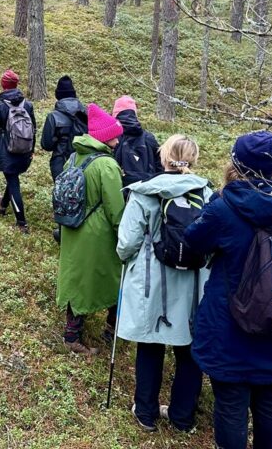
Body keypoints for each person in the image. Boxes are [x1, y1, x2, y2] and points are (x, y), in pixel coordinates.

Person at [184, 132, 272, 449]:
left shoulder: (222, 210)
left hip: (228, 330)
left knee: (231, 403)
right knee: (271, 400)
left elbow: (192, 240)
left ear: (235, 163)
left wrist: (212, 205)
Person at [116, 135, 214, 433]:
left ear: (164, 157)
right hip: (192, 284)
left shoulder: (145, 193)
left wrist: (125, 257)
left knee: (150, 345)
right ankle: (182, 417)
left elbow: (127, 242)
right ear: (193, 159)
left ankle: (145, 412)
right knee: (188, 350)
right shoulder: (208, 195)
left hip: (152, 285)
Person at [56, 104, 125, 356]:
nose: (118, 141)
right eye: (115, 136)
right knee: (115, 280)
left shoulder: (75, 157)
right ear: (106, 137)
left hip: (72, 228)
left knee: (78, 281)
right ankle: (112, 331)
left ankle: (72, 333)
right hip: (97, 236)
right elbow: (116, 209)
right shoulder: (106, 165)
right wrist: (125, 236)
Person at [0, 70, 36, 234]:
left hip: (7, 151)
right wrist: (32, 150)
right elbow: (33, 128)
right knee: (12, 178)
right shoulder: (27, 105)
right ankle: (3, 205)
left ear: (3, 85)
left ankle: (21, 223)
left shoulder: (0, 106)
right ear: (16, 85)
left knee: (13, 182)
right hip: (25, 150)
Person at [41, 75, 88, 182]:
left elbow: (46, 144)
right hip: (85, 162)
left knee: (61, 195)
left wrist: (58, 139)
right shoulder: (86, 113)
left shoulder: (53, 117)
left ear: (58, 95)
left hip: (60, 162)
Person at [112, 96, 162, 188]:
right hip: (147, 190)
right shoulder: (149, 138)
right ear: (135, 114)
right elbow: (160, 166)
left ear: (115, 114)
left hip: (120, 190)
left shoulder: (111, 138)